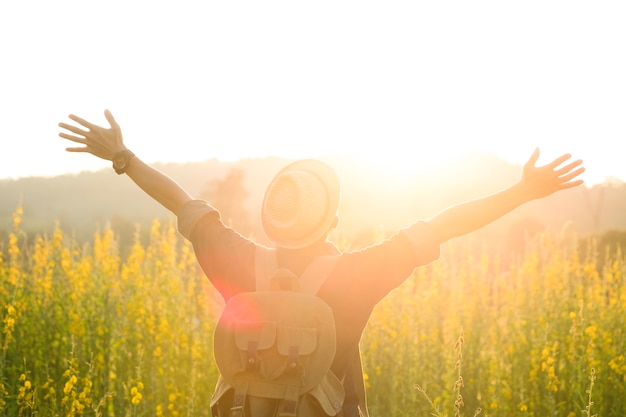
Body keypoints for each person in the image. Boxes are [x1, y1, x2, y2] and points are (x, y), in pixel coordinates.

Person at [59, 109, 585, 416]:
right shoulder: (358, 277)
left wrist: (123, 158)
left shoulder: (237, 261)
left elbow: (180, 201)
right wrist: (520, 192)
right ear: (331, 221)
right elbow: (446, 223)